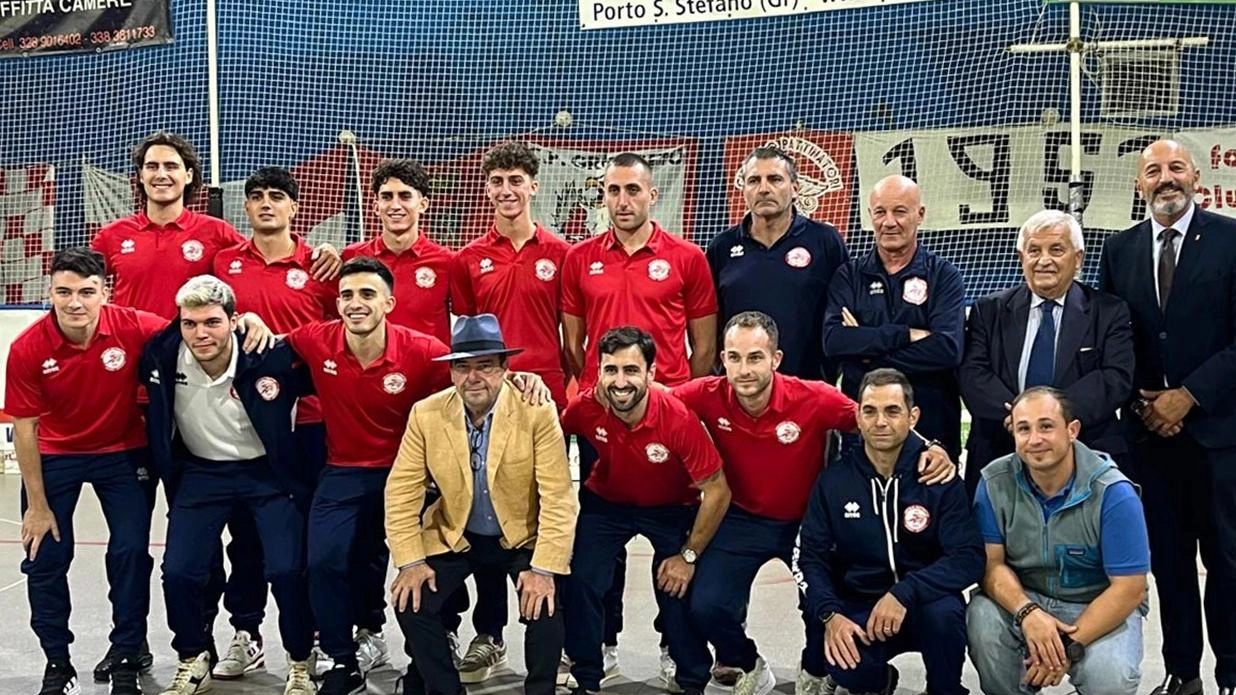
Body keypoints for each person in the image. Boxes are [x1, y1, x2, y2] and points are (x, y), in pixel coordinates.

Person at [89, 133, 338, 684]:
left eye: (172, 165)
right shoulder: (115, 238)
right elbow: (89, 292)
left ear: (190, 177)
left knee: (272, 552)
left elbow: (331, 317)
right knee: (159, 552)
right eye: (151, 165)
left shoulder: (217, 240)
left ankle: (259, 637)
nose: (161, 174)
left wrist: (329, 257)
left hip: (271, 418)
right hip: (154, 407)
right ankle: (173, 647)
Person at [285, 257, 549, 695]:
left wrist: (523, 378)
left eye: (367, 294)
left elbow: (476, 374)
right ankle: (341, 659)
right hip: (345, 471)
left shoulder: (422, 350)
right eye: (347, 295)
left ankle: (432, 653)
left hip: (415, 472)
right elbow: (272, 342)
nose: (355, 304)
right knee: (322, 561)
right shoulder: (316, 338)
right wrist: (250, 322)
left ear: (389, 302)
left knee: (433, 561)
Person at [676, 312, 958, 695]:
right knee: (706, 605)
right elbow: (657, 403)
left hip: (808, 521)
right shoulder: (703, 394)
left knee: (819, 603)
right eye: (735, 358)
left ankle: (814, 666)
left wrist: (932, 448)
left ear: (776, 359)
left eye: (755, 357)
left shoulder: (813, 397)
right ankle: (747, 664)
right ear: (722, 359)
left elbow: (875, 420)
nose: (744, 369)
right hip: (742, 519)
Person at [560, 152, 718, 683]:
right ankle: (598, 647)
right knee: (597, 550)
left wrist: (673, 401)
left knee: (672, 557)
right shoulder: (579, 258)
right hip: (605, 417)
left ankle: (675, 648)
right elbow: (573, 343)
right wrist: (598, 392)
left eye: (633, 190)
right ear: (602, 196)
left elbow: (703, 346)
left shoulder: (687, 257)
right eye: (613, 191)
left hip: (665, 422)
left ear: (653, 195)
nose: (622, 200)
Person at [1098, 138, 1236, 695]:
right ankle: (1182, 674)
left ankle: (1231, 673)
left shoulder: (1231, 239)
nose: (1165, 178)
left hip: (1221, 435)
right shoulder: (1119, 250)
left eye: (1176, 167)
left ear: (1196, 176)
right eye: (1153, 170)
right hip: (1148, 437)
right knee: (1171, 565)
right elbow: (1113, 340)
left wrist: (1189, 396)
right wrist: (1142, 402)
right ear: (1139, 184)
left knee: (1227, 561)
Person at [140, 275, 315, 695]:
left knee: (288, 570)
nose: (201, 333)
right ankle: (193, 656)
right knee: (179, 572)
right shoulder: (163, 352)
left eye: (212, 322)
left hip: (267, 475)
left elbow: (330, 371)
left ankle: (300, 660)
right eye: (190, 323)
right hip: (201, 474)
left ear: (233, 321)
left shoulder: (270, 355)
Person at [385, 313, 578, 695]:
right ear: (452, 372)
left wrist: (543, 569)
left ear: (506, 368)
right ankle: (442, 688)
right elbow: (401, 491)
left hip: (522, 536)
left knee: (546, 606)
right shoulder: (426, 414)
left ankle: (541, 690)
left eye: (485, 366)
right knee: (411, 601)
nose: (473, 377)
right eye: (462, 367)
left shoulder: (536, 410)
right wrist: (410, 562)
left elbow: (558, 496)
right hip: (458, 533)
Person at [5, 248, 167, 695]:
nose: (74, 302)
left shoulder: (134, 326)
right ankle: (58, 662)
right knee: (45, 559)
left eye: (86, 292)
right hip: (57, 455)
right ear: (50, 293)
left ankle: (127, 655)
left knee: (131, 555)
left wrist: (245, 321)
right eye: (63, 292)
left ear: (104, 293)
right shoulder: (28, 348)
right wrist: (36, 505)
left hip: (124, 452)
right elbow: (25, 429)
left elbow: (192, 332)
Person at [208, 166, 337, 680]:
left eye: (277, 197)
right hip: (241, 425)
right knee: (245, 537)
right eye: (256, 196)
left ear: (295, 208)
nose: (265, 204)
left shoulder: (321, 269)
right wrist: (242, 321)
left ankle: (321, 639)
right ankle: (246, 632)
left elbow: (338, 332)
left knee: (309, 537)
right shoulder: (224, 264)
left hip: (308, 423)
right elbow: (206, 325)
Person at [447, 141, 570, 678]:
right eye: (497, 181)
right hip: (486, 403)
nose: (506, 191)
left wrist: (560, 385)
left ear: (533, 186)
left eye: (515, 180)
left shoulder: (562, 254)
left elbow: (574, 335)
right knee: (487, 514)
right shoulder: (468, 259)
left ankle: (554, 633)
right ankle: (489, 632)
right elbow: (470, 341)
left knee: (544, 516)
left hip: (546, 404)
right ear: (488, 188)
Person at [561, 326, 732, 695]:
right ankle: (588, 674)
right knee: (581, 578)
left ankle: (690, 678)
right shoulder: (585, 407)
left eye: (631, 370)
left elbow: (717, 491)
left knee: (676, 584)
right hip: (607, 503)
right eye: (611, 370)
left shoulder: (677, 417)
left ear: (651, 374)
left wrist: (688, 556)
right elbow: (548, 436)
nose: (620, 382)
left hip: (671, 506)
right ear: (599, 372)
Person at [795, 368, 983, 695]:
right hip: (861, 603)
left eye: (892, 411)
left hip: (924, 599)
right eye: (870, 411)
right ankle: (880, 682)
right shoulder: (834, 482)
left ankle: (945, 689)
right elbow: (808, 558)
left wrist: (904, 592)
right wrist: (831, 614)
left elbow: (967, 557)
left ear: (913, 416)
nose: (880, 421)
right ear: (857, 415)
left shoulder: (938, 478)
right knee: (845, 666)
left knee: (946, 616)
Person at [966, 387, 1149, 695]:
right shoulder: (993, 482)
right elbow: (991, 566)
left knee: (1111, 676)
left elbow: (1129, 588)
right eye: (1024, 428)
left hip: (1095, 604)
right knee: (981, 617)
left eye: (1046, 426)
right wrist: (1028, 613)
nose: (1035, 439)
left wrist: (1065, 649)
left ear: (1072, 430)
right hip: (1026, 599)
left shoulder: (1114, 493)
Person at [960, 209, 1134, 499]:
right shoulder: (987, 311)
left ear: (1078, 258)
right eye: (1034, 250)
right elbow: (972, 373)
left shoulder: (1109, 312)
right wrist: (1020, 419)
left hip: (1086, 453)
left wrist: (1051, 420)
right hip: (998, 449)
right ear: (1021, 258)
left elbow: (1116, 377)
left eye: (1056, 249)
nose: (1044, 260)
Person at [822, 174, 965, 460]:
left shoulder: (943, 276)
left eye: (900, 211)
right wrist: (905, 335)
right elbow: (834, 341)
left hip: (931, 428)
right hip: (863, 431)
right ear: (870, 216)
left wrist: (864, 355)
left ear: (920, 214)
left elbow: (946, 350)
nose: (889, 222)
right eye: (880, 212)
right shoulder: (849, 276)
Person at [705, 147, 848, 381]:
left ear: (795, 189)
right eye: (753, 181)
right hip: (741, 388)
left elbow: (842, 316)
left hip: (809, 386)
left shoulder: (825, 241)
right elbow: (710, 325)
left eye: (774, 179)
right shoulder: (721, 247)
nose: (763, 189)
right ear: (743, 190)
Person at [343, 158, 454, 345]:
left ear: (423, 204)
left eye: (405, 196)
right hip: (369, 370)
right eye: (387, 197)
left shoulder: (448, 261)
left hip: (429, 371)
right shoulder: (351, 257)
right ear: (376, 206)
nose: (395, 205)